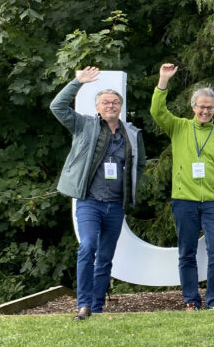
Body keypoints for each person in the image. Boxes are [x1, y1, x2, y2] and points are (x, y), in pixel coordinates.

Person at [50, 67, 146, 321]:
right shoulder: (84, 125)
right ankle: (83, 305)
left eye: (115, 102)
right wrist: (77, 82)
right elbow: (57, 107)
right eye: (105, 102)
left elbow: (140, 165)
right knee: (87, 247)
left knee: (105, 257)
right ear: (98, 107)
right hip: (89, 202)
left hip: (116, 205)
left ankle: (97, 307)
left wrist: (132, 189)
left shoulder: (132, 134)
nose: (111, 105)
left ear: (120, 106)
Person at [151, 64, 214, 310]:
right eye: (201, 106)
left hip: (212, 201)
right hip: (184, 199)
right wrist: (163, 81)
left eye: (210, 107)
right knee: (187, 253)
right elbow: (157, 111)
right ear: (193, 107)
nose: (205, 111)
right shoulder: (179, 127)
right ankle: (191, 300)